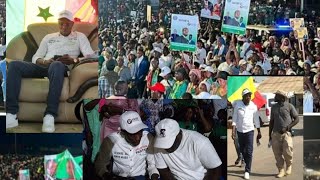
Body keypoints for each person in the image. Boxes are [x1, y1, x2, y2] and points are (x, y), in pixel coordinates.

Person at [6, 10, 95, 132]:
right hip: (44, 65)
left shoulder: (80, 36)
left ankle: (50, 115)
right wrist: (44, 61)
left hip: (61, 67)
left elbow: (91, 56)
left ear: (72, 24)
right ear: (58, 23)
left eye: (67, 24)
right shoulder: (48, 37)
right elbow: (35, 57)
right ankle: (11, 113)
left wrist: (74, 60)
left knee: (57, 64)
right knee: (14, 65)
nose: (64, 26)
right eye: (61, 23)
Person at [95, 111, 160, 180]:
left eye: (140, 131)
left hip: (141, 177)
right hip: (118, 177)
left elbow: (152, 165)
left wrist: (154, 176)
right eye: (132, 133)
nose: (138, 137)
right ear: (122, 132)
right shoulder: (110, 141)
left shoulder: (148, 138)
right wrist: (108, 177)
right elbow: (100, 164)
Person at [154, 118, 222, 180]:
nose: (166, 148)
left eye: (169, 143)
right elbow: (164, 171)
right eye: (163, 143)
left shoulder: (199, 142)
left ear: (179, 134)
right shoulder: (158, 144)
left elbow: (215, 170)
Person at [232, 88, 261, 180]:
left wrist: (259, 132)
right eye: (246, 96)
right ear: (243, 97)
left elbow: (256, 119)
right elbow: (235, 118)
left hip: (250, 131)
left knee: (249, 151)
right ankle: (245, 161)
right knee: (242, 150)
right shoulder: (238, 105)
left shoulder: (253, 106)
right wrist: (233, 131)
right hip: (240, 131)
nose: (248, 97)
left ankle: (247, 170)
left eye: (249, 95)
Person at [268, 90, 299, 178]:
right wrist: (269, 135)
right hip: (275, 134)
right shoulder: (273, 107)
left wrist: (287, 128)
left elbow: (297, 119)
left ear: (282, 97)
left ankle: (289, 166)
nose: (274, 97)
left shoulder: (289, 106)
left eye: (276, 96)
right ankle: (281, 170)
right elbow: (271, 121)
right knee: (277, 153)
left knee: (288, 152)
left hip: (286, 134)